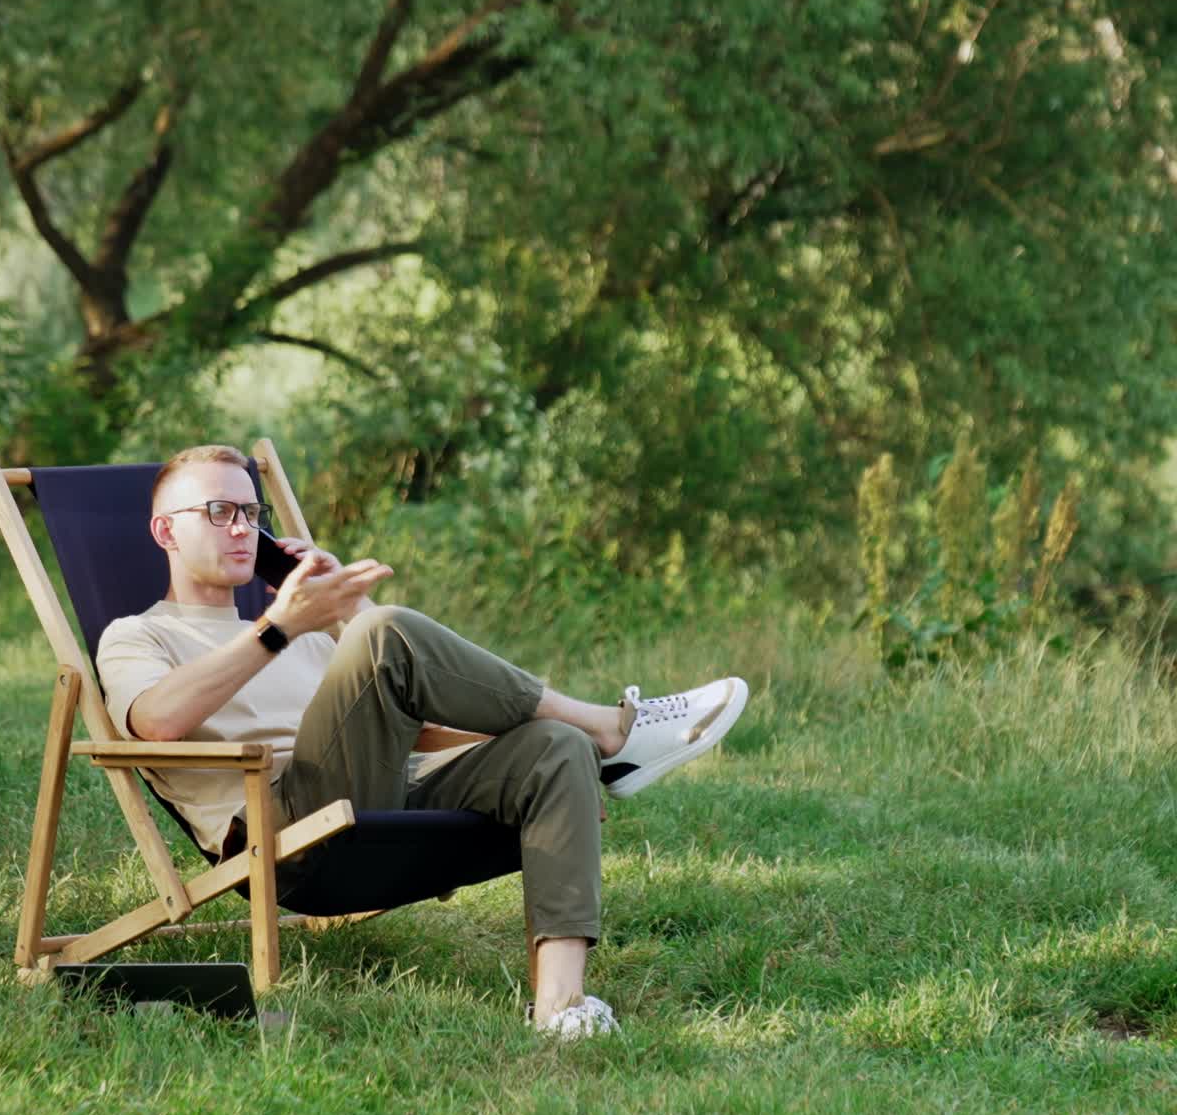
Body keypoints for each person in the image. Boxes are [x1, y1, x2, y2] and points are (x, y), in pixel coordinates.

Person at [97, 445, 748, 1038]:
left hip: (379, 794)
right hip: (282, 833)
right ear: (166, 531)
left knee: (555, 748)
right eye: (218, 511)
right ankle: (608, 729)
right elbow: (157, 723)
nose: (243, 529)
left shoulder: (304, 628)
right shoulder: (138, 635)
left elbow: (406, 713)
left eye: (250, 511)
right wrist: (281, 626)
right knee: (385, 633)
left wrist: (339, 619)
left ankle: (561, 1007)